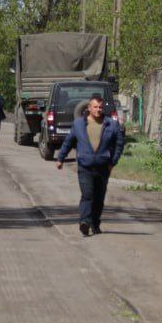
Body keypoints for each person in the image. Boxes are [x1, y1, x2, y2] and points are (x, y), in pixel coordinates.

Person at [56, 93, 125, 236]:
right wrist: (60, 158)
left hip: (103, 167)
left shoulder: (111, 124)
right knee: (87, 195)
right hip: (85, 166)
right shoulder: (79, 124)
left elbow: (119, 144)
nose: (98, 109)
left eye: (100, 107)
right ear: (89, 108)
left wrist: (113, 161)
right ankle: (84, 222)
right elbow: (68, 141)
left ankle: (95, 223)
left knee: (99, 198)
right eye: (95, 107)